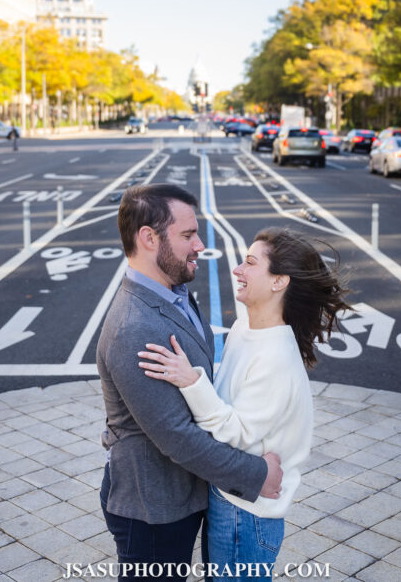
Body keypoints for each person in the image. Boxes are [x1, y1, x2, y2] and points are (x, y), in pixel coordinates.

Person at [138, 227, 350, 581]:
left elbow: (238, 434)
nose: (237, 269)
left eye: (251, 262)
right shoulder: (245, 329)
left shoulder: (276, 357)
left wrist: (191, 381)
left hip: (245, 515)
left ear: (279, 281)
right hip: (230, 497)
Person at [97, 184, 284, 582]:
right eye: (187, 235)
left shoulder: (173, 292)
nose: (200, 244)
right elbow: (177, 437)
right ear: (148, 238)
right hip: (153, 510)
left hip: (180, 495)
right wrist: (256, 474)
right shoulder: (135, 328)